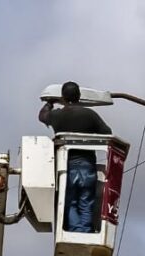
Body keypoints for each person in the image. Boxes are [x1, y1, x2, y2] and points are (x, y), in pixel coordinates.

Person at [38, 81, 112, 232]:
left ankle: (76, 229)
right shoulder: (90, 115)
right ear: (79, 96)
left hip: (66, 166)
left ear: (63, 97)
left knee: (69, 201)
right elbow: (107, 132)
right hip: (86, 165)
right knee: (86, 200)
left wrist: (50, 103)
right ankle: (84, 231)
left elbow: (42, 116)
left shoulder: (57, 116)